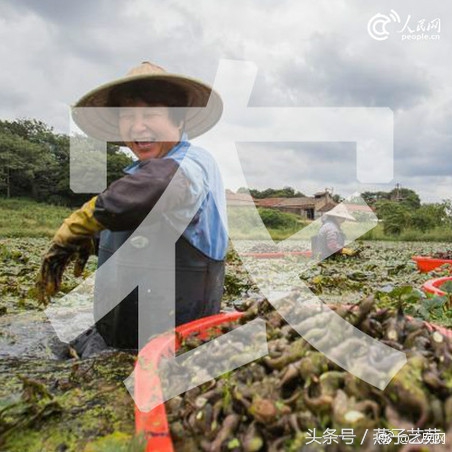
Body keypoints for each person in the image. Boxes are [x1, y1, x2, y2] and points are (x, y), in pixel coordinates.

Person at [37, 61, 228, 355]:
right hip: (115, 338)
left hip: (173, 347)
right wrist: (95, 238)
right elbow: (137, 217)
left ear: (178, 121)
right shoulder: (137, 174)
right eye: (127, 117)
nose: (138, 126)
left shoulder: (195, 163)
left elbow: (165, 185)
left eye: (151, 114)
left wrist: (81, 221)